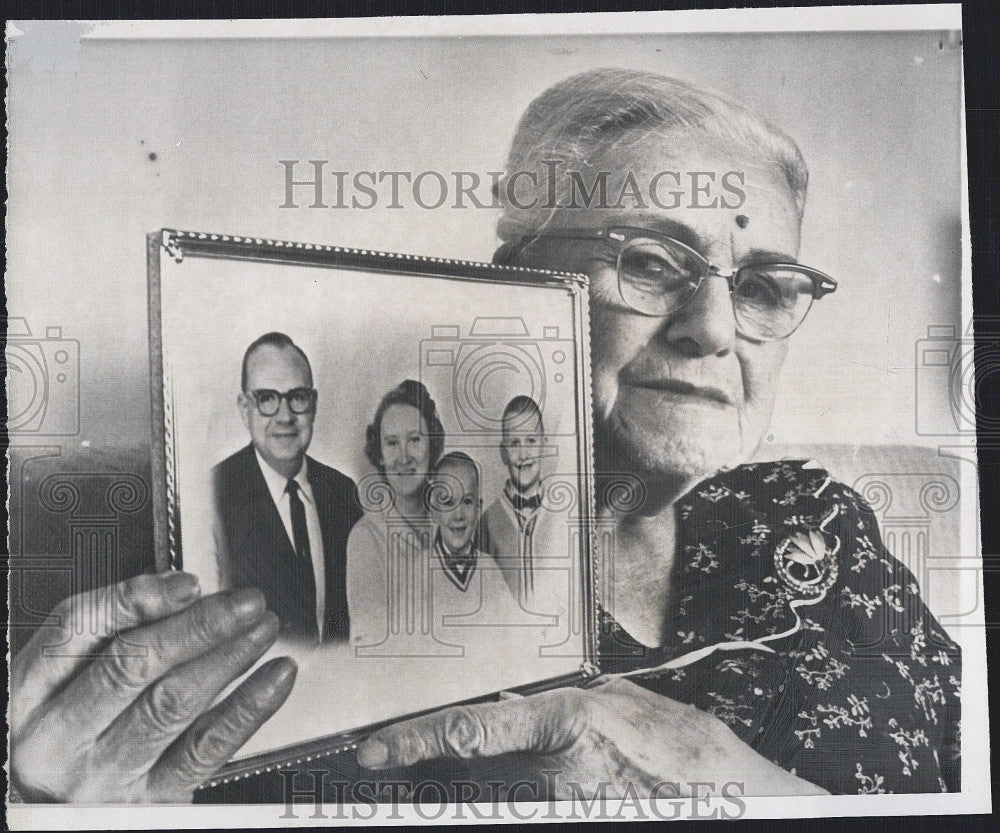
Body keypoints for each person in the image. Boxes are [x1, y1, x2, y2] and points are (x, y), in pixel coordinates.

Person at [9, 68, 961, 802]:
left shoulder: (819, 519)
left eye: (759, 287)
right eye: (650, 261)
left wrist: (741, 791)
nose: (713, 330)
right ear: (517, 282)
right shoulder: (409, 572)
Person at [212, 331, 362, 643]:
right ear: (244, 408)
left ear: (314, 404)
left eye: (297, 397)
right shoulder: (215, 495)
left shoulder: (342, 492)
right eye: (266, 398)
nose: (285, 416)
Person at [344, 379, 445, 649]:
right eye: (391, 443)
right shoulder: (365, 539)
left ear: (431, 446)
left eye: (414, 440)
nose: (404, 457)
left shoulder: (454, 521)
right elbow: (372, 650)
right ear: (379, 454)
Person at [481, 395, 555, 601]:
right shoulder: (486, 522)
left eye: (531, 441)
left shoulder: (562, 517)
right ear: (503, 452)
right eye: (514, 443)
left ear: (544, 445)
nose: (523, 454)